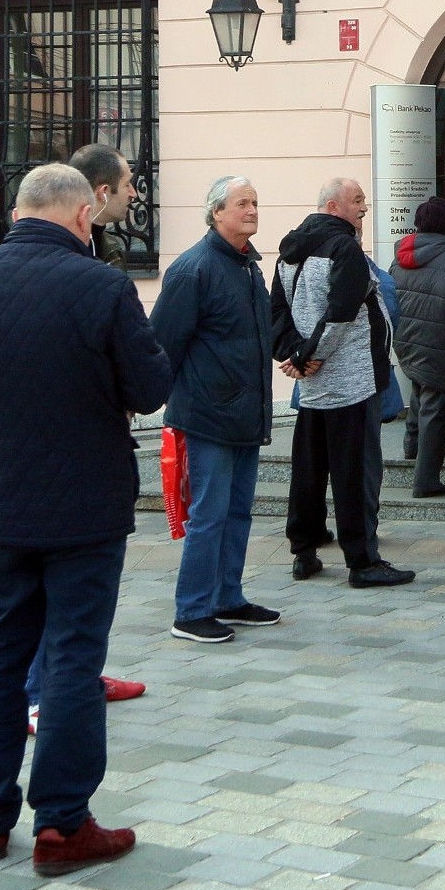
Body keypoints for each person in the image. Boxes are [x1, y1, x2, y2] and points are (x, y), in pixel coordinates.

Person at [0, 164, 172, 876]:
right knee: (71, 658)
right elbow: (150, 386)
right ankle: (63, 825)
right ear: (78, 217)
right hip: (84, 507)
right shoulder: (100, 285)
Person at [25, 143, 144, 736]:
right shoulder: (82, 268)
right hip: (59, 456)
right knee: (50, 597)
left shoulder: (107, 253)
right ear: (96, 198)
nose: (134, 194)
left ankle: (74, 679)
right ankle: (42, 696)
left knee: (68, 604)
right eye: (128, 184)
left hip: (75, 441)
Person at [150, 176, 278, 644]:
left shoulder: (249, 267)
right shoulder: (193, 269)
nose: (252, 210)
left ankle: (228, 597)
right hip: (208, 415)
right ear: (216, 212)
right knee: (208, 514)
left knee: (238, 510)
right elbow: (162, 343)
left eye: (255, 202)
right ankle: (192, 610)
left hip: (246, 414)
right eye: (242, 203)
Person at [271, 177, 415, 588]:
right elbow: (342, 313)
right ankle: (363, 562)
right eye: (357, 201)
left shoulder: (288, 252)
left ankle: (305, 548)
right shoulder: (344, 247)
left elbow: (276, 313)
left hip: (313, 383)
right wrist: (306, 357)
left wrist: (294, 356)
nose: (364, 208)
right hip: (351, 382)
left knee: (310, 469)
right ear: (333, 207)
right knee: (356, 473)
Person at [389, 197, 445, 497]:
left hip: (406, 340)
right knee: (435, 408)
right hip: (438, 345)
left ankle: (411, 447)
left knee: (420, 388)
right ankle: (425, 480)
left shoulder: (400, 254)